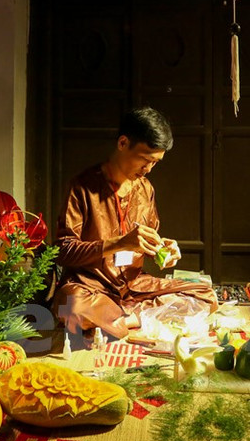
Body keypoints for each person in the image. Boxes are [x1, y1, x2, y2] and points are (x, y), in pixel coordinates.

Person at [53, 107, 218, 338]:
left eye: (155, 163)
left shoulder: (145, 189)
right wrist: (119, 243)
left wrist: (163, 250)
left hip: (132, 287)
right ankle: (130, 318)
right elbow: (63, 250)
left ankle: (124, 320)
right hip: (89, 286)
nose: (149, 169)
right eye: (146, 160)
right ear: (123, 143)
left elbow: (146, 241)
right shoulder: (82, 187)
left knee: (206, 294)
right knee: (72, 307)